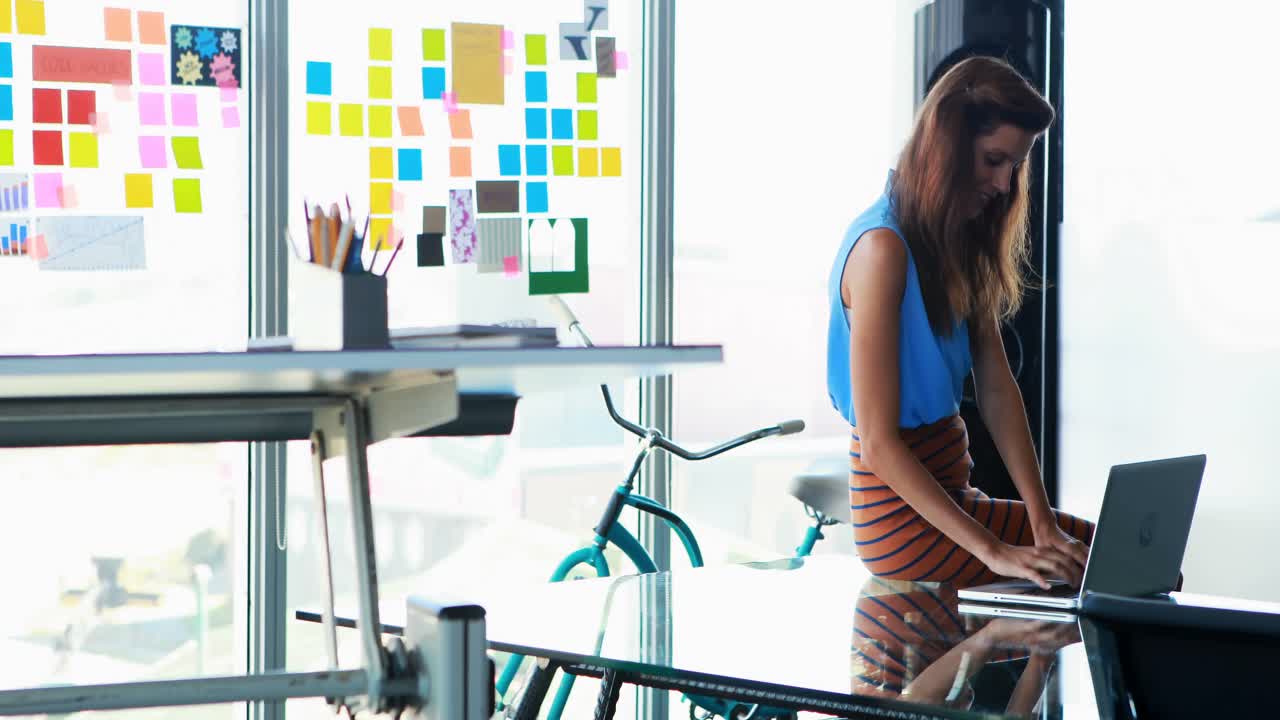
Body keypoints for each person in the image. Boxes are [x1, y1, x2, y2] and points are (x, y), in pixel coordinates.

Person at [827, 55, 1093, 590]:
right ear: (947, 145)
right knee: (1104, 568)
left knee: (1114, 559)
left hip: (953, 493)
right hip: (900, 519)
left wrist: (1041, 523)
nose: (1002, 183)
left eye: (1014, 166)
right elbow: (878, 443)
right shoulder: (882, 249)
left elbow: (996, 386)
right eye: (994, 160)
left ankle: (1023, 674)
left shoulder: (954, 243)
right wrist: (997, 553)